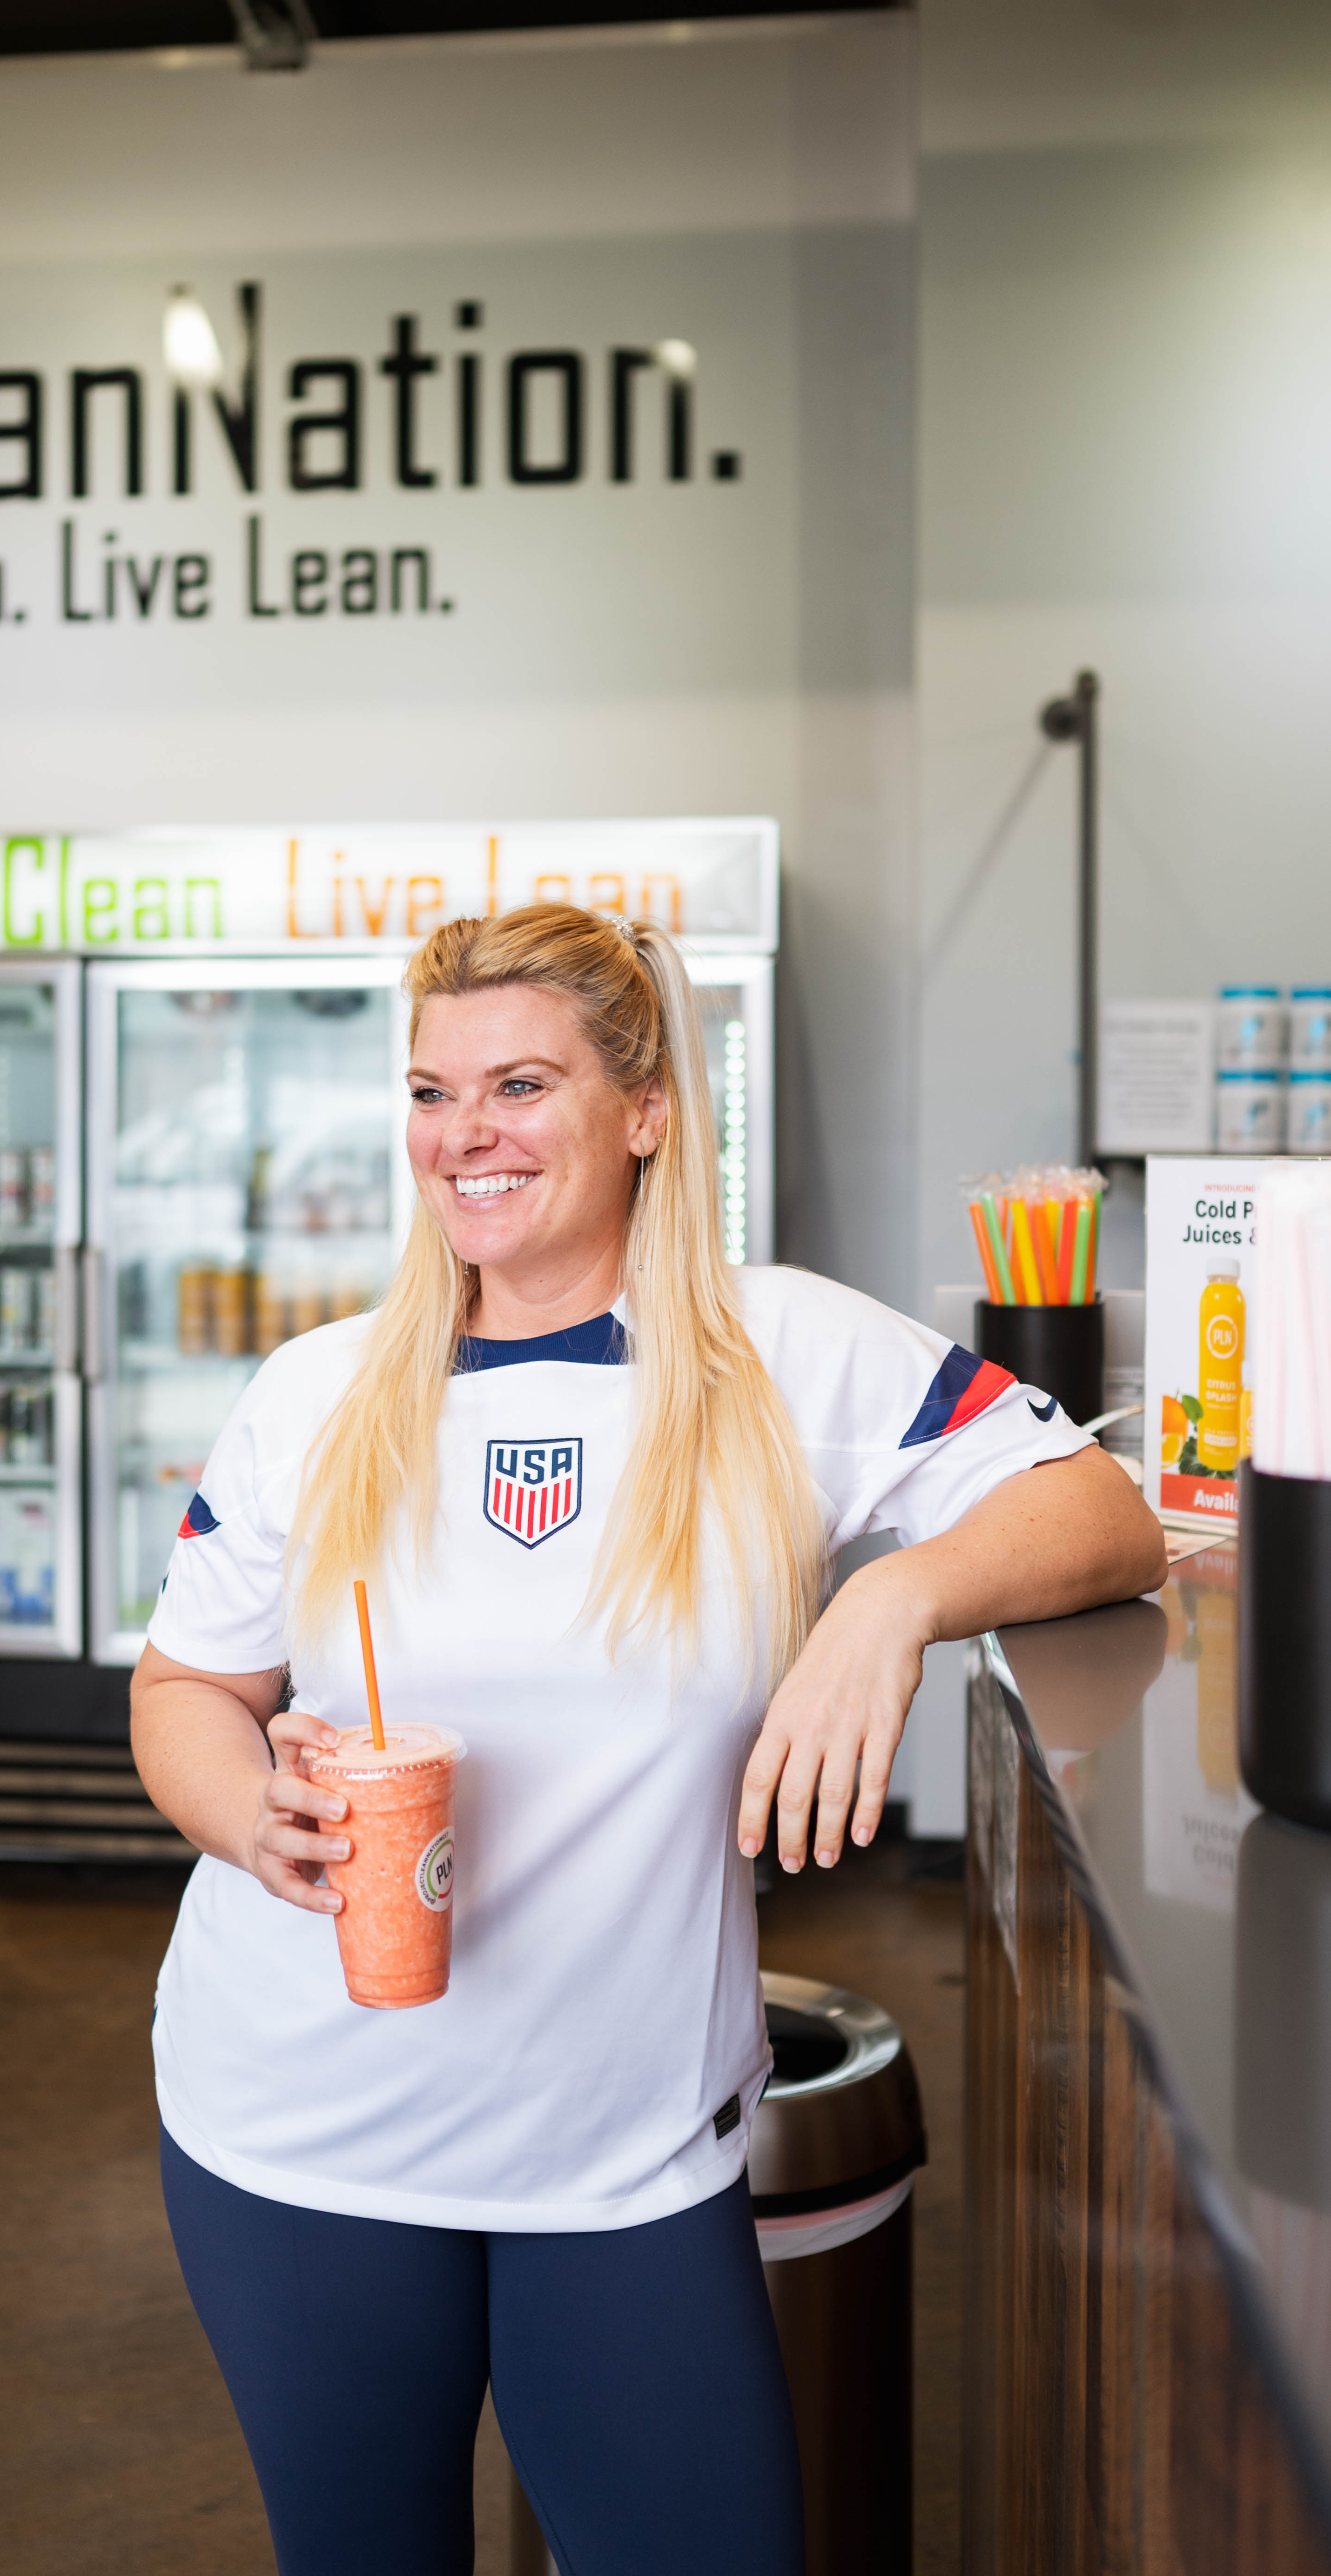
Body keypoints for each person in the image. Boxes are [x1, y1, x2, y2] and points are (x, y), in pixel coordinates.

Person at [131, 904, 1164, 2576]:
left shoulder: (784, 1352)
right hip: (298, 2127)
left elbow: (1100, 1510)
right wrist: (254, 1818)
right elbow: (184, 1690)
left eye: (520, 1083)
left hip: (618, 2145)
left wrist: (883, 1607)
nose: (463, 1134)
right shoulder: (316, 1392)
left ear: (647, 1109)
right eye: (429, 1089)